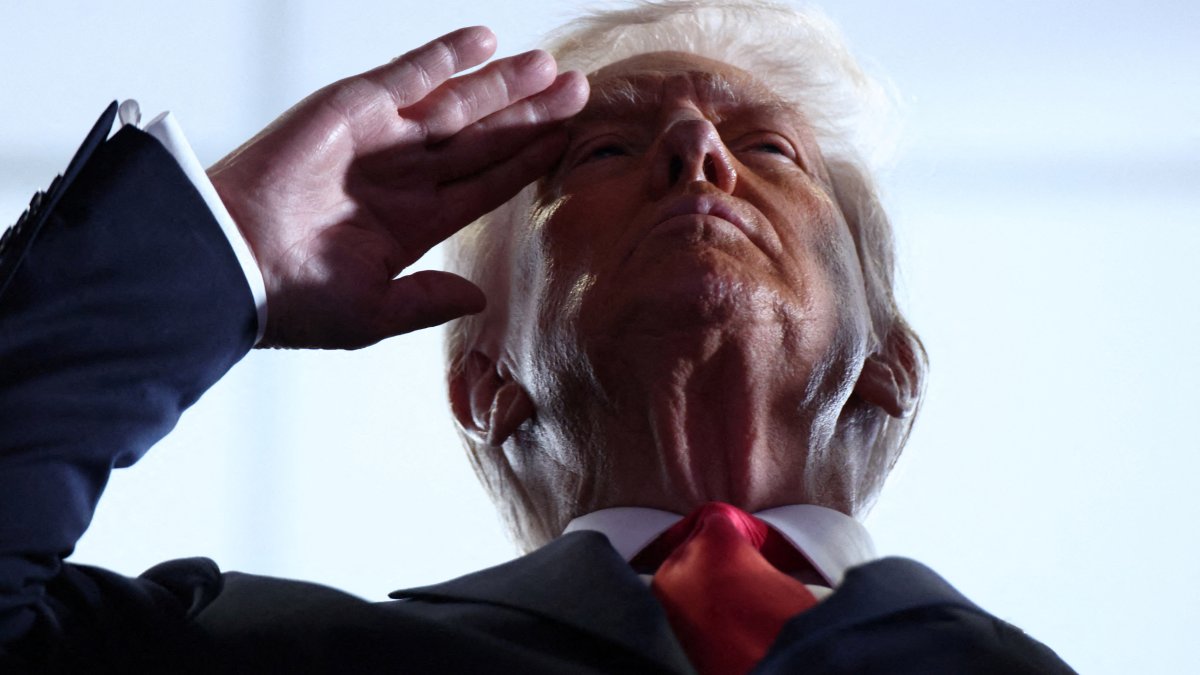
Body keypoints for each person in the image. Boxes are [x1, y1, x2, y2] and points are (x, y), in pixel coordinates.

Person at [0, 1, 1074, 673]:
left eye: (770, 151)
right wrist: (224, 246)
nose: (698, 148)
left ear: (890, 371)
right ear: (486, 381)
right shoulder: (252, 655)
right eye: (605, 151)